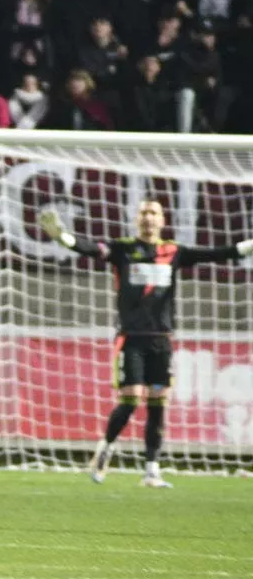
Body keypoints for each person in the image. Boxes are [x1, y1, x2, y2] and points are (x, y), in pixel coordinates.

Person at [39, 201, 253, 487]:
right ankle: (104, 450)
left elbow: (220, 253)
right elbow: (90, 248)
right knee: (130, 399)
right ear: (136, 219)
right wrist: (61, 236)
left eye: (154, 213)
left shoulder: (174, 251)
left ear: (162, 220)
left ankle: (152, 470)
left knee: (157, 405)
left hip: (162, 340)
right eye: (144, 213)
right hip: (131, 338)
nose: (148, 218)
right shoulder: (123, 249)